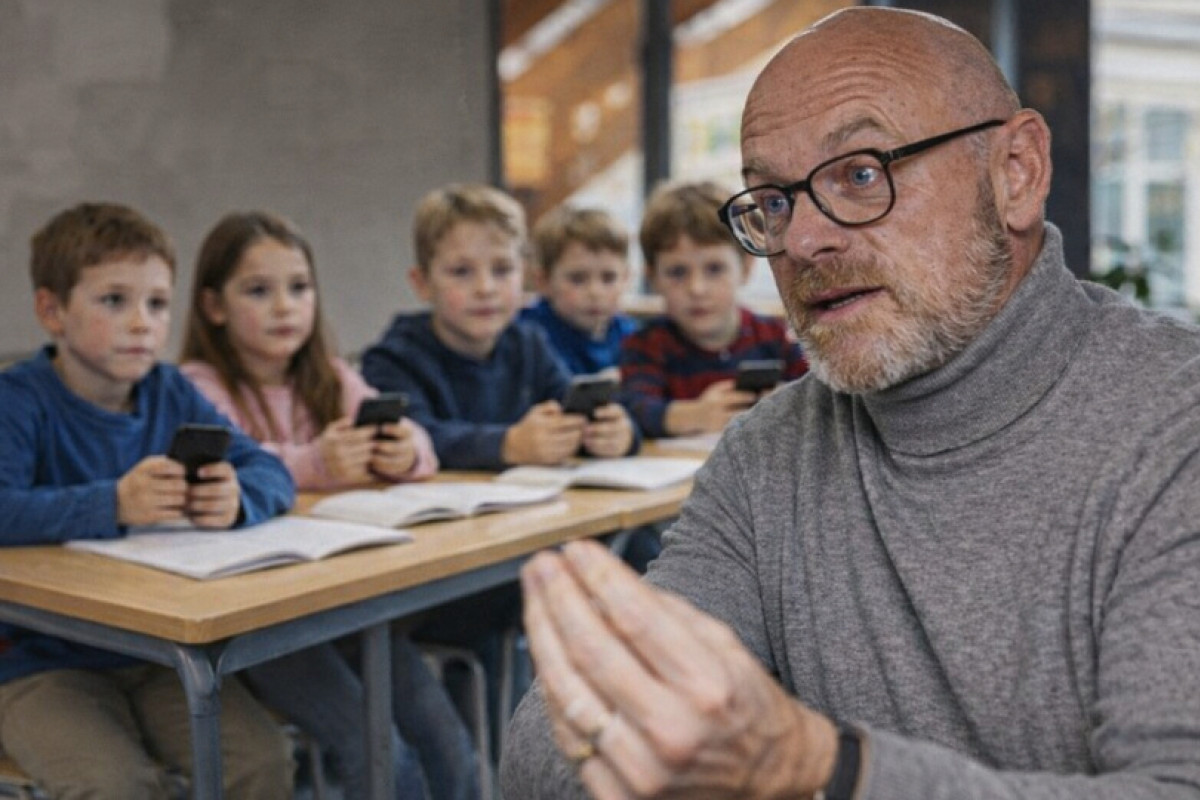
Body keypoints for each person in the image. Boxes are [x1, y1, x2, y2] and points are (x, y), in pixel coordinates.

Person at [501, 7, 1200, 800]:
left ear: (1016, 172)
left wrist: (818, 770)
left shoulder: (1176, 429)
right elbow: (548, 758)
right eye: (773, 200)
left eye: (861, 174)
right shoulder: (768, 457)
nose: (803, 242)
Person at [178, 210, 479, 800]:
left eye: (299, 288)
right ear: (214, 307)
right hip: (262, 626)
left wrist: (401, 453)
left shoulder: (334, 377)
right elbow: (235, 469)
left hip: (347, 607)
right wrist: (316, 461)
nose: (285, 306)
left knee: (448, 743)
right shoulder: (195, 384)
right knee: (381, 758)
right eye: (259, 291)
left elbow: (421, 441)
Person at [0, 202, 295, 799]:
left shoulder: (170, 390)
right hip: (37, 663)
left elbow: (268, 468)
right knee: (120, 787)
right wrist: (111, 503)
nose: (142, 324)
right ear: (51, 311)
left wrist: (238, 498)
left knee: (260, 761)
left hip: (158, 654)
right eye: (114, 301)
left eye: (157, 304)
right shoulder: (18, 400)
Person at [360, 182, 637, 470]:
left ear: (524, 276)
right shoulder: (393, 360)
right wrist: (509, 444)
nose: (486, 288)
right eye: (461, 272)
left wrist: (618, 434)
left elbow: (575, 408)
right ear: (422, 283)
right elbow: (416, 439)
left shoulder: (529, 343)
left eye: (503, 270)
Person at [619, 179, 806, 439]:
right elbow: (633, 411)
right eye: (677, 272)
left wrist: (786, 401)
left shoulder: (774, 336)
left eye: (714, 269)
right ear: (653, 279)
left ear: (746, 268)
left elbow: (822, 397)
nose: (697, 289)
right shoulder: (644, 347)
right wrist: (695, 415)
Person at [520, 205, 638, 377]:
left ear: (626, 279)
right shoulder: (529, 337)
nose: (595, 292)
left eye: (608, 278)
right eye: (578, 279)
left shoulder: (629, 335)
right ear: (543, 281)